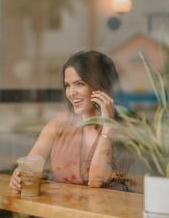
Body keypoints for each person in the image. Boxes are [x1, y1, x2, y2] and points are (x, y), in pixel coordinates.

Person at [9, 50, 120, 192]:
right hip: (58, 210)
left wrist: (108, 125)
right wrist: (18, 176)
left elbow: (96, 181)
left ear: (101, 86)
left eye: (79, 84)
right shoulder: (58, 125)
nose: (71, 92)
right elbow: (29, 166)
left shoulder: (121, 131)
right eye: (67, 85)